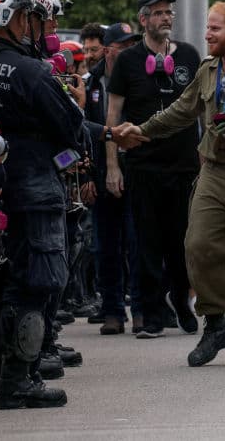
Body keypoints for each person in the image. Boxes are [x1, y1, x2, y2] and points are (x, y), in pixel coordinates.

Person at [113, 1, 225, 368]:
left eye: (215, 28)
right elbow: (182, 109)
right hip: (213, 170)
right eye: (208, 28)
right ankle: (215, 324)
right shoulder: (208, 70)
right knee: (197, 245)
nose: (207, 34)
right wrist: (142, 130)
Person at [0, 0, 84, 409]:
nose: (38, 27)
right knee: (40, 282)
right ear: (16, 16)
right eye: (33, 17)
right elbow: (71, 129)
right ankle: (19, 378)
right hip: (36, 189)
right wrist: (66, 159)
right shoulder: (34, 71)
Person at [106, 0, 202, 339]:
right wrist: (113, 167)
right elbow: (113, 117)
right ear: (143, 20)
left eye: (168, 12)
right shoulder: (128, 61)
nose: (165, 18)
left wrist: (205, 152)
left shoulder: (190, 57)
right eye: (158, 13)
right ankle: (149, 312)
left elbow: (202, 109)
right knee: (145, 243)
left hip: (183, 166)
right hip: (143, 166)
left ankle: (181, 301)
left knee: (182, 242)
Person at [85, 23, 141, 335]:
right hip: (100, 173)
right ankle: (112, 311)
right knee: (105, 246)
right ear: (108, 50)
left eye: (133, 43)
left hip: (133, 170)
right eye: (123, 45)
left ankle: (144, 310)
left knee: (137, 242)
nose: (129, 50)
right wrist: (88, 175)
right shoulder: (90, 83)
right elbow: (81, 132)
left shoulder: (139, 78)